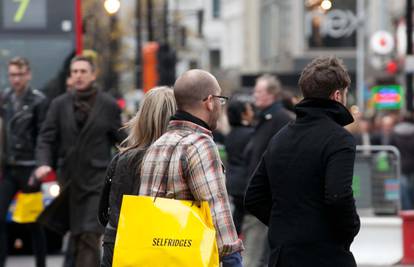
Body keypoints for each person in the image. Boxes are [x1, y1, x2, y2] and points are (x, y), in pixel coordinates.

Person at [245, 56, 360, 267]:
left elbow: (254, 196)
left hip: (283, 254)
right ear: (337, 95)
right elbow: (338, 195)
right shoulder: (339, 138)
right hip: (326, 254)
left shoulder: (281, 137)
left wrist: (283, 225)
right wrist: (349, 230)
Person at [139, 69, 243, 266]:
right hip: (188, 255)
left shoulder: (158, 144)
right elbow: (215, 206)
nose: (220, 107)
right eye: (220, 100)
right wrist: (232, 256)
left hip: (154, 254)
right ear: (209, 101)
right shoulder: (200, 144)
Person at [34, 55, 126, 267]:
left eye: (83, 71)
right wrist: (43, 163)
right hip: (69, 183)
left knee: (89, 233)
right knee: (76, 235)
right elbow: (46, 138)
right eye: (74, 72)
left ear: (93, 75)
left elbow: (122, 139)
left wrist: (135, 159)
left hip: (97, 183)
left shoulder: (108, 105)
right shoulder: (59, 105)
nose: (78, 76)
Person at [100, 86, 176, 267]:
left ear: (141, 117)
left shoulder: (122, 159)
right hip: (166, 248)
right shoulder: (178, 157)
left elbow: (104, 212)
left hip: (119, 245)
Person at [0, 57, 48, 267]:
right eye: (12, 75)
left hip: (30, 168)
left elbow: (43, 136)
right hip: (10, 168)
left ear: (28, 75)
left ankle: (41, 264)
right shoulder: (5, 98)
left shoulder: (39, 101)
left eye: (20, 74)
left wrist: (40, 166)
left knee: (33, 222)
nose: (16, 79)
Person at [243, 74, 294, 267]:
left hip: (267, 200)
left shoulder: (282, 120)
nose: (254, 95)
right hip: (259, 199)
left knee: (254, 257)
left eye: (259, 91)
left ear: (272, 94)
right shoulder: (264, 118)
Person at [224, 99, 254, 235]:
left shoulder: (230, 134)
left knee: (237, 214)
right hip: (245, 182)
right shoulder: (251, 134)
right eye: (249, 110)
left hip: (232, 181)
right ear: (243, 114)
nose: (252, 112)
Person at [390, 112, 414, 210]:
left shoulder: (394, 133)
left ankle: (407, 209)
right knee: (411, 189)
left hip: (400, 166)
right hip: (412, 166)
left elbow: (390, 148)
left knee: (403, 189)